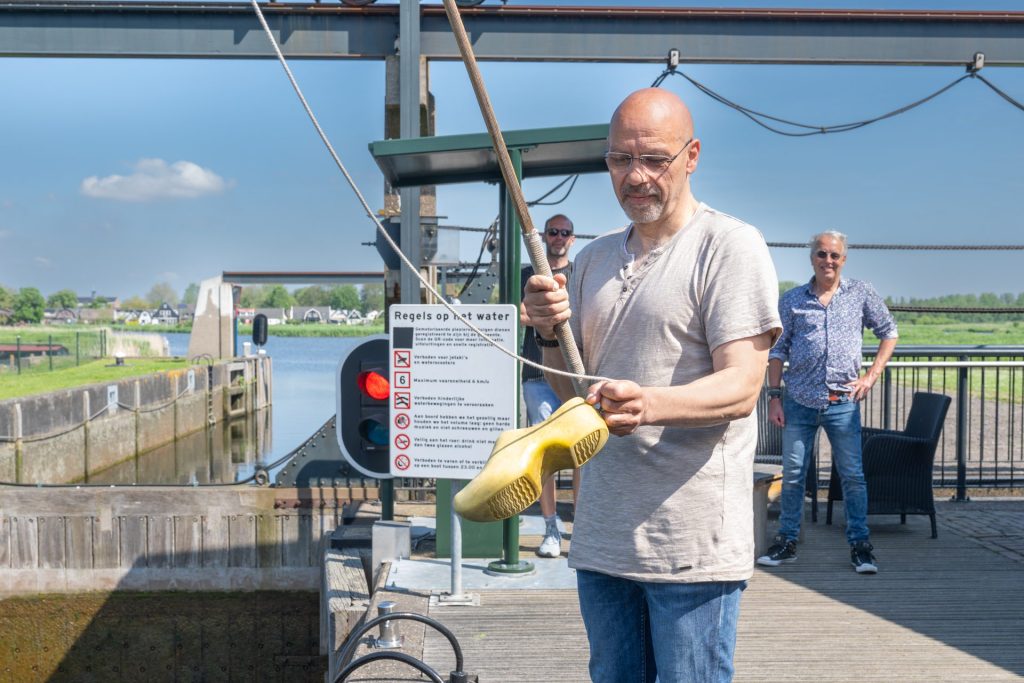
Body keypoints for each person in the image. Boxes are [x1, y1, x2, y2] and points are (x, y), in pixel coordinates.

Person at [522, 88, 781, 683]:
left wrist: (649, 404)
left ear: (692, 156)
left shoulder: (729, 247)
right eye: (620, 159)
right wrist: (546, 331)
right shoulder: (592, 260)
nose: (636, 176)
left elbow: (743, 387)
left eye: (654, 159)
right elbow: (572, 394)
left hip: (691, 549)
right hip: (602, 538)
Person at [757, 231, 898, 574]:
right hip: (798, 402)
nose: (828, 261)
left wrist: (870, 377)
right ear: (812, 259)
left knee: (852, 476)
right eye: (821, 254)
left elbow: (889, 332)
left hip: (842, 404)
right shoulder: (793, 300)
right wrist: (774, 398)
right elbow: (777, 350)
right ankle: (787, 542)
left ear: (843, 259)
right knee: (793, 476)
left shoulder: (860, 293)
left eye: (834, 255)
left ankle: (860, 547)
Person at [520, 213, 578, 558]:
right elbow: (517, 313)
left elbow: (581, 316)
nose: (558, 237)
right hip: (536, 375)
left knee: (581, 453)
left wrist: (541, 313)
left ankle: (581, 527)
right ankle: (551, 528)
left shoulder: (579, 274)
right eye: (553, 232)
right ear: (544, 236)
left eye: (564, 233)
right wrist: (555, 315)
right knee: (545, 455)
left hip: (572, 377)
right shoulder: (526, 275)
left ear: (572, 239)